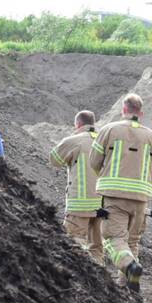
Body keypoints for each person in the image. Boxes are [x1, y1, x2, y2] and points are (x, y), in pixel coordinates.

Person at [89, 93, 152, 290]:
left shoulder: (108, 130)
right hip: (141, 199)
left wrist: (105, 177)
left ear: (123, 110)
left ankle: (130, 266)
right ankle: (127, 286)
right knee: (132, 241)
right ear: (141, 112)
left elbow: (94, 162)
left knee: (113, 239)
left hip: (114, 196)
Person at [49, 110, 103, 262]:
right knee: (97, 246)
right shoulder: (103, 140)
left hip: (79, 204)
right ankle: (99, 279)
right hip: (102, 204)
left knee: (74, 241)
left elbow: (54, 159)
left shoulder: (74, 140)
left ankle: (80, 278)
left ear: (78, 124)